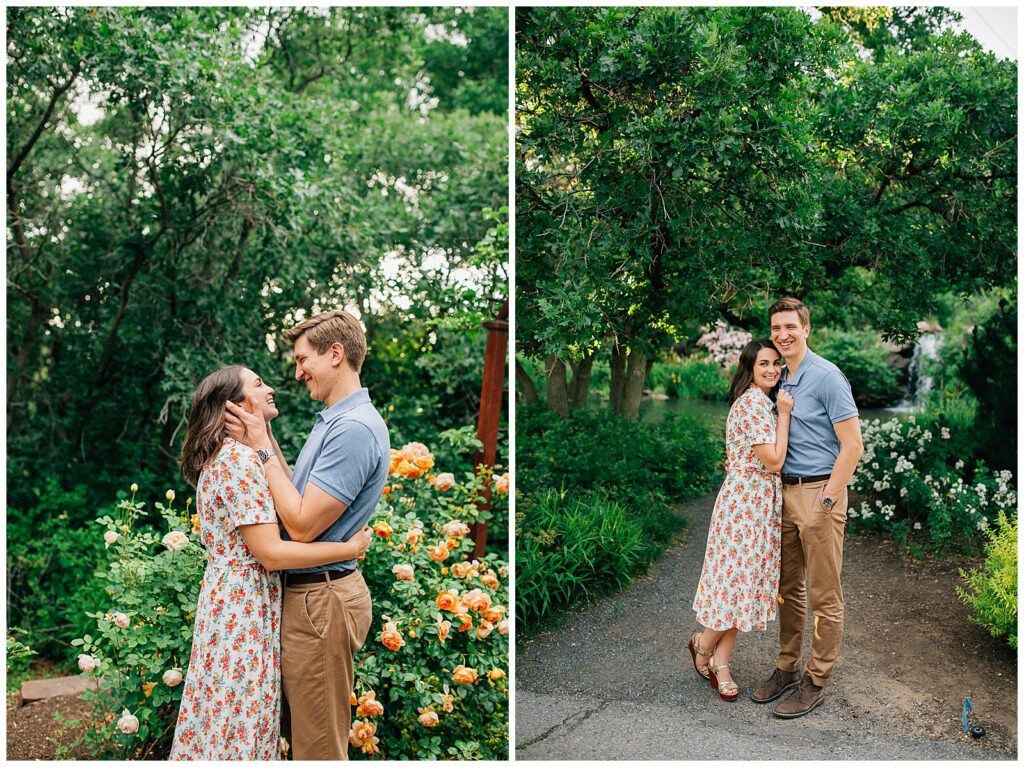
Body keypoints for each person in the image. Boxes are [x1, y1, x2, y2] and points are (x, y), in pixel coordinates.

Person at [170, 365, 373, 760]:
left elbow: (284, 492)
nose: (272, 388)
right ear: (237, 405)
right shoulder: (237, 462)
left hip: (235, 603)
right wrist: (347, 550)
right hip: (242, 612)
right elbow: (272, 552)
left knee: (225, 718)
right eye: (259, 385)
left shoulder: (238, 456)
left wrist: (262, 439)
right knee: (240, 721)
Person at [225, 309, 390, 760]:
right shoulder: (334, 422)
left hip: (321, 600)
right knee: (302, 741)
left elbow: (298, 525)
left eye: (303, 360)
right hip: (313, 597)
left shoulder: (352, 430)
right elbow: (292, 494)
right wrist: (264, 438)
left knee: (318, 749)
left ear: (335, 354)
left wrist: (260, 446)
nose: (297, 373)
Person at [751, 297, 863, 718]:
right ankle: (786, 667)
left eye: (790, 327)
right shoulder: (778, 377)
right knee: (787, 589)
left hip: (820, 493)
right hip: (782, 494)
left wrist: (828, 500)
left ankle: (816, 678)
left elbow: (853, 446)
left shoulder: (827, 377)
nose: (782, 334)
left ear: (806, 329)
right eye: (776, 327)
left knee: (824, 593)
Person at [690, 339, 793, 701]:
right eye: (763, 363)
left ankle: (721, 660)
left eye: (776, 363)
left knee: (741, 587)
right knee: (733, 585)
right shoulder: (753, 404)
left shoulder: (759, 402)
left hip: (758, 504)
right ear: (749, 368)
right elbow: (774, 461)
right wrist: (785, 414)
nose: (771, 369)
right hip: (745, 507)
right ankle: (704, 647)